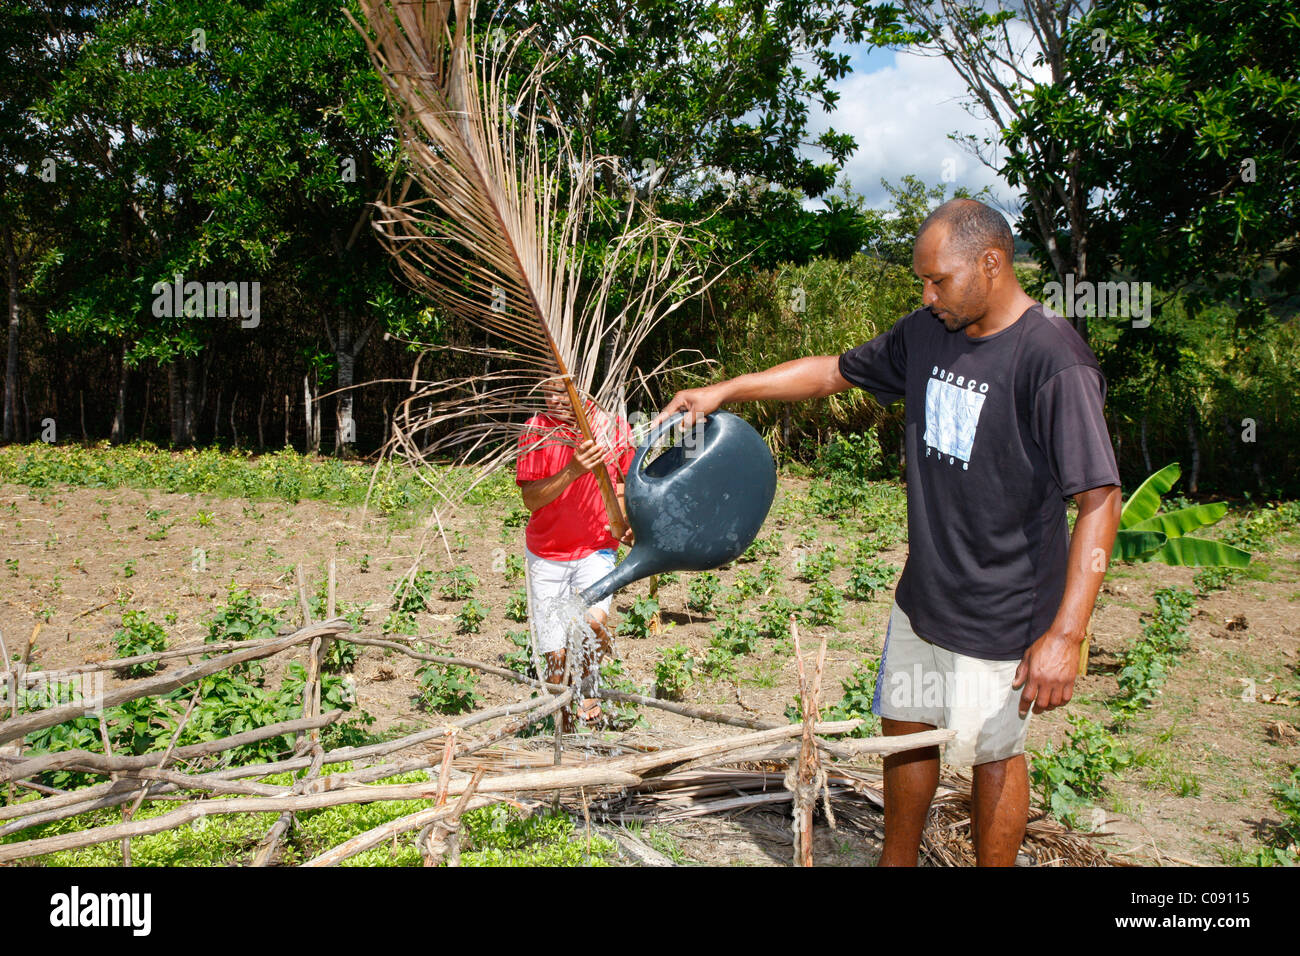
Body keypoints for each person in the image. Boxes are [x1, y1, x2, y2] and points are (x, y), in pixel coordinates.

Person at [657, 199, 1122, 865]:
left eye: (938, 280)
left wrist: (1067, 634)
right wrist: (728, 391)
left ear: (991, 264)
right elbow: (832, 372)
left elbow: (1100, 499)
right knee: (906, 735)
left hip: (1006, 612)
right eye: (922, 282)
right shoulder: (928, 332)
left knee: (994, 755)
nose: (928, 294)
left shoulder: (1053, 359)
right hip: (923, 597)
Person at [515, 379, 634, 729]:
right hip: (547, 553)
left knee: (592, 622)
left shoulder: (612, 428)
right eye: (548, 392)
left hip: (596, 548)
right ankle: (564, 728)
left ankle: (590, 694)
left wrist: (622, 520)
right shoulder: (536, 430)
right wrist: (573, 470)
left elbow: (625, 480)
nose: (556, 400)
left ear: (584, 390)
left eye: (563, 392)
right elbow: (531, 499)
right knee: (555, 657)